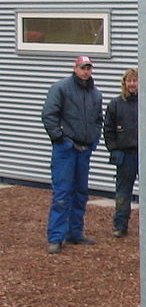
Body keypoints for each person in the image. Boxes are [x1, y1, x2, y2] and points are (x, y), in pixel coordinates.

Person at [41, 55, 104, 254]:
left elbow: (98, 120)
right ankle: (55, 237)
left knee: (80, 193)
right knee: (62, 193)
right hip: (65, 150)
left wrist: (94, 140)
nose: (86, 71)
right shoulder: (60, 88)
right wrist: (60, 138)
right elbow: (49, 115)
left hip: (84, 150)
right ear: (74, 68)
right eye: (82, 67)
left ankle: (75, 233)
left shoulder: (95, 94)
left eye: (88, 68)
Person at [103, 67, 139, 237]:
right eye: (129, 80)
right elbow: (108, 130)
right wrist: (113, 148)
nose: (132, 84)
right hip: (125, 155)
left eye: (135, 80)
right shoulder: (115, 105)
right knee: (123, 192)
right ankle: (120, 225)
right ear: (124, 83)